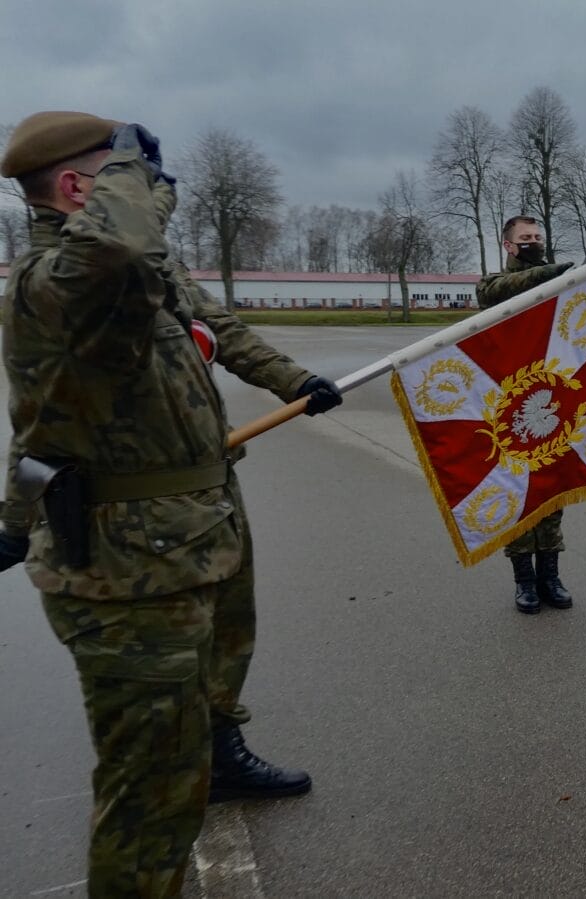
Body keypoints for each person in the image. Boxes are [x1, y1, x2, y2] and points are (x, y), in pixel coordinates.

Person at [1, 111, 342, 897]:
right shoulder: (54, 284)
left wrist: (294, 380)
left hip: (191, 526)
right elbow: (117, 246)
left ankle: (219, 752)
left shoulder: (137, 273)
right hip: (127, 570)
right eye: (138, 179)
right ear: (81, 187)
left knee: (197, 710)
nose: (158, 193)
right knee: (148, 794)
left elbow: (210, 322)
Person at [476, 216, 576, 613]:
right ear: (509, 246)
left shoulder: (562, 284)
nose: (534, 242)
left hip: (550, 394)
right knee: (515, 490)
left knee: (551, 487)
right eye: (526, 238)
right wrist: (556, 272)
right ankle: (524, 581)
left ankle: (551, 576)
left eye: (538, 237)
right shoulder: (492, 284)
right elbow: (507, 290)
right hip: (508, 401)